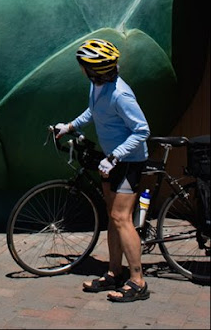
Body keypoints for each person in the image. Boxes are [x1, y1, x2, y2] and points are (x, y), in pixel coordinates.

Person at [55, 38, 151, 303]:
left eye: (83, 66)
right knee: (113, 217)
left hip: (128, 161)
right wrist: (71, 126)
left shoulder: (121, 94)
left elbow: (142, 130)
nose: (81, 70)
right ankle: (113, 272)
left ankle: (138, 282)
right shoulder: (98, 86)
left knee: (121, 218)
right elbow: (94, 111)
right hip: (111, 159)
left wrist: (116, 156)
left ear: (93, 69)